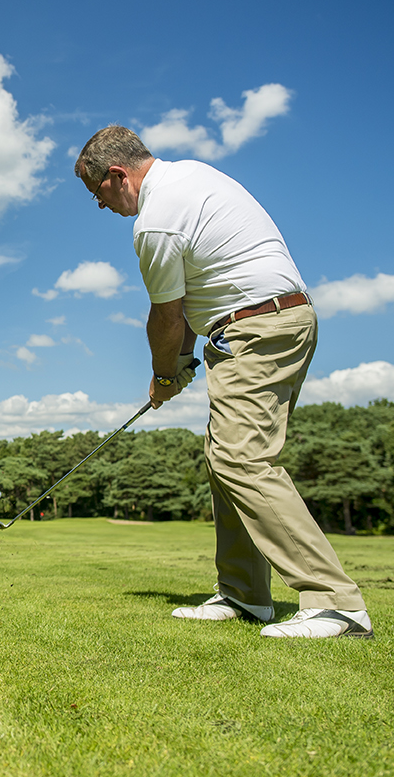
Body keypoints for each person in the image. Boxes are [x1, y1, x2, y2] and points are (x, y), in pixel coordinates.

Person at [74, 125, 372, 639]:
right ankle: (244, 593)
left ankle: (335, 603)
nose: (99, 205)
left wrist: (163, 375)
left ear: (117, 175)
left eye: (96, 191)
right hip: (275, 320)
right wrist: (180, 363)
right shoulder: (192, 175)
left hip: (257, 327)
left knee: (241, 458)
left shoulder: (156, 222)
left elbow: (167, 316)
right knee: (224, 458)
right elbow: (192, 301)